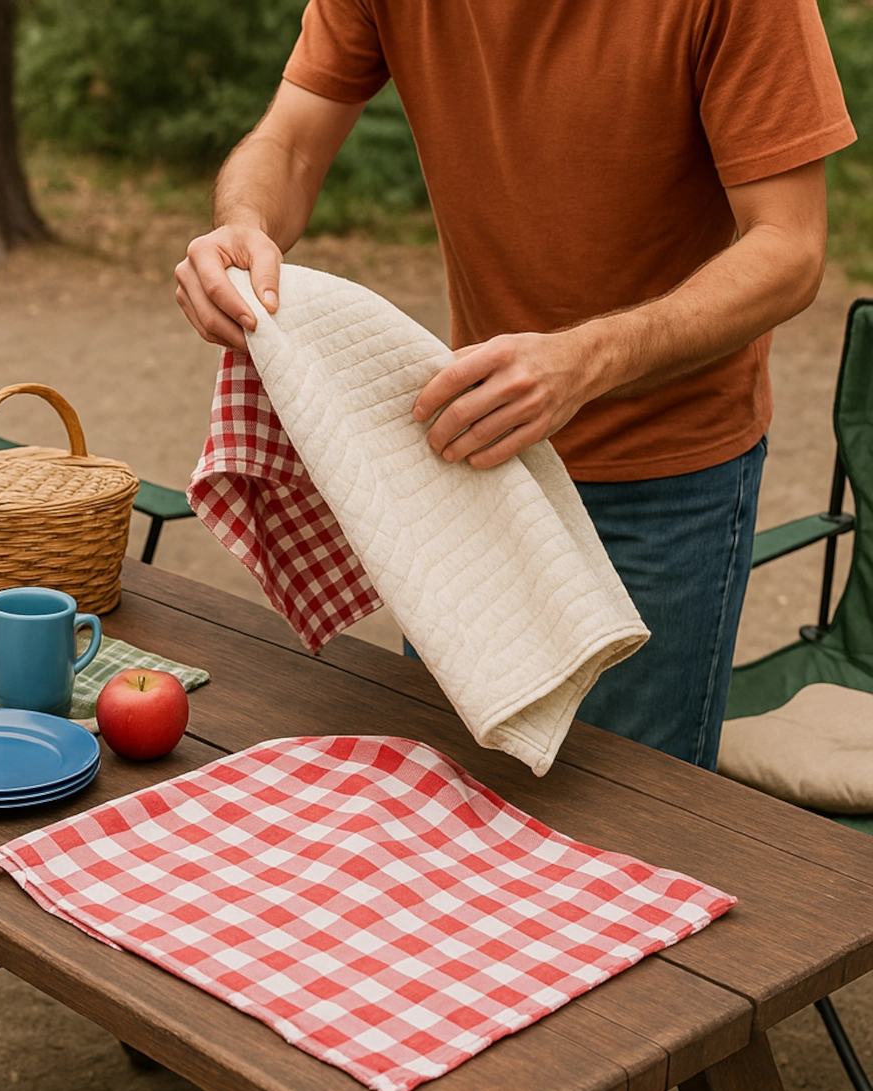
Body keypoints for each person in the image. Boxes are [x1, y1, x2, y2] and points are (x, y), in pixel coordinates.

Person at [174, 0, 855, 769]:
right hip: (474, 457)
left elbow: (791, 248)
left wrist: (586, 361)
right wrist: (243, 223)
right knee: (445, 796)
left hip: (665, 482)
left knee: (637, 827)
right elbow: (291, 145)